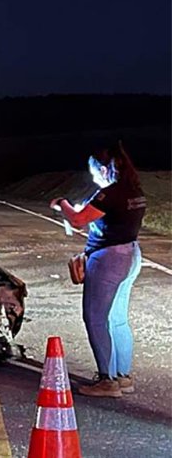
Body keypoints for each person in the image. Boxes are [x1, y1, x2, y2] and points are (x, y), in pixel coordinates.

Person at [50, 140, 145, 398]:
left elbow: (78, 220)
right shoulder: (133, 190)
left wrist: (62, 203)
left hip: (109, 260)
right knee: (118, 318)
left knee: (95, 318)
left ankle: (107, 380)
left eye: (95, 171)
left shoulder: (111, 193)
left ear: (105, 169)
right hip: (131, 253)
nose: (94, 177)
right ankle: (122, 376)